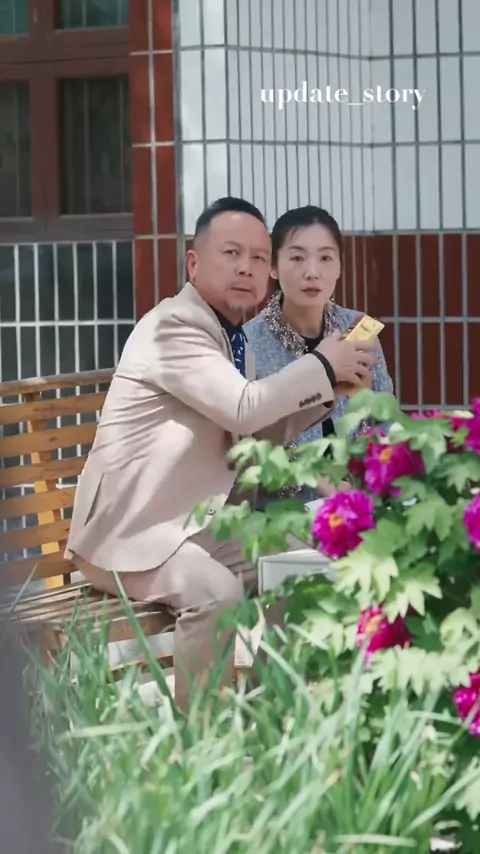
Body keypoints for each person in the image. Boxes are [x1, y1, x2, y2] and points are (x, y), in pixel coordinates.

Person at [65, 197, 378, 711]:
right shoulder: (173, 327)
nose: (247, 268)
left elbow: (249, 434)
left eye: (258, 257)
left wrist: (330, 392)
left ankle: (271, 710)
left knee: (302, 564)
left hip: (191, 525)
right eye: (232, 253)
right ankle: (202, 739)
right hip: (132, 532)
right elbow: (243, 407)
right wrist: (323, 365)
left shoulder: (230, 338)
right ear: (193, 262)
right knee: (216, 594)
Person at [245, 205, 394, 505]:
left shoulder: (358, 328)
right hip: (283, 516)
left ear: (339, 267)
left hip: (362, 505)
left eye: (325, 258)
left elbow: (387, 423)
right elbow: (248, 448)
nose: (312, 272)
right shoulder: (249, 344)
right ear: (273, 267)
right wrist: (320, 481)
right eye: (297, 258)